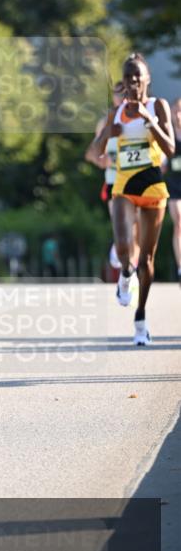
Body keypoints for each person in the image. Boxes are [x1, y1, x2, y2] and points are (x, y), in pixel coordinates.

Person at [93, 53, 174, 345]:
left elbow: (171, 148)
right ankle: (126, 272)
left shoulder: (158, 106)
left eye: (138, 76)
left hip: (152, 186)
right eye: (129, 77)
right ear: (124, 82)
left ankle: (140, 318)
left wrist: (148, 119)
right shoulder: (115, 113)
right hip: (124, 186)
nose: (134, 81)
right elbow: (98, 150)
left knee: (148, 259)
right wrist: (108, 135)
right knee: (125, 244)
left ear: (147, 79)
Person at [85, 81, 140, 276]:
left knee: (135, 227)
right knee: (121, 224)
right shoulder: (106, 121)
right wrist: (103, 160)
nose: (122, 99)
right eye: (118, 95)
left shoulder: (138, 119)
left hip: (136, 180)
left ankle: (130, 267)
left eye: (126, 94)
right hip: (113, 181)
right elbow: (91, 153)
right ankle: (122, 256)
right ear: (113, 97)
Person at [163, 96, 181, 284]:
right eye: (175, 111)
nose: (177, 115)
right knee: (179, 222)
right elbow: (162, 161)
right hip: (175, 189)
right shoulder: (168, 136)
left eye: (180, 111)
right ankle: (180, 267)